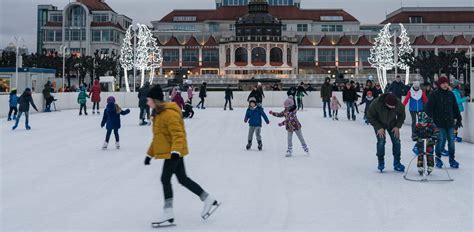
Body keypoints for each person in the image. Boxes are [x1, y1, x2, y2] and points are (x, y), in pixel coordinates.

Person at [144, 85, 220, 226]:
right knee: (183, 179)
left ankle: (168, 211)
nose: (147, 102)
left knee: (165, 178)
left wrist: (175, 151)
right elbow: (158, 138)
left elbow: (178, 134)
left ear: (155, 100)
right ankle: (208, 198)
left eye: (148, 99)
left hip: (173, 153)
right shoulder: (158, 115)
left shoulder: (169, 114)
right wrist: (149, 154)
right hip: (172, 152)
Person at [426, 76, 462, 169]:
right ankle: (438, 159)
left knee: (451, 142)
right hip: (438, 123)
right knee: (440, 140)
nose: (445, 85)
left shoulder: (451, 94)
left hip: (450, 122)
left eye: (446, 83)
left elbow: (455, 108)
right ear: (439, 85)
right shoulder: (434, 95)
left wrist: (459, 119)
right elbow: (428, 108)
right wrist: (428, 121)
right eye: (443, 83)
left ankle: (452, 160)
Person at [367, 93, 406, 172]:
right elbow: (370, 116)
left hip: (392, 124)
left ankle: (397, 163)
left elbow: (402, 115)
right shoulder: (376, 103)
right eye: (392, 106)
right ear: (386, 103)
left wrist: (397, 126)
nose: (394, 107)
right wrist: (378, 127)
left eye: (394, 105)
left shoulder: (397, 103)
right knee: (381, 141)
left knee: (397, 141)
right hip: (379, 123)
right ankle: (381, 162)